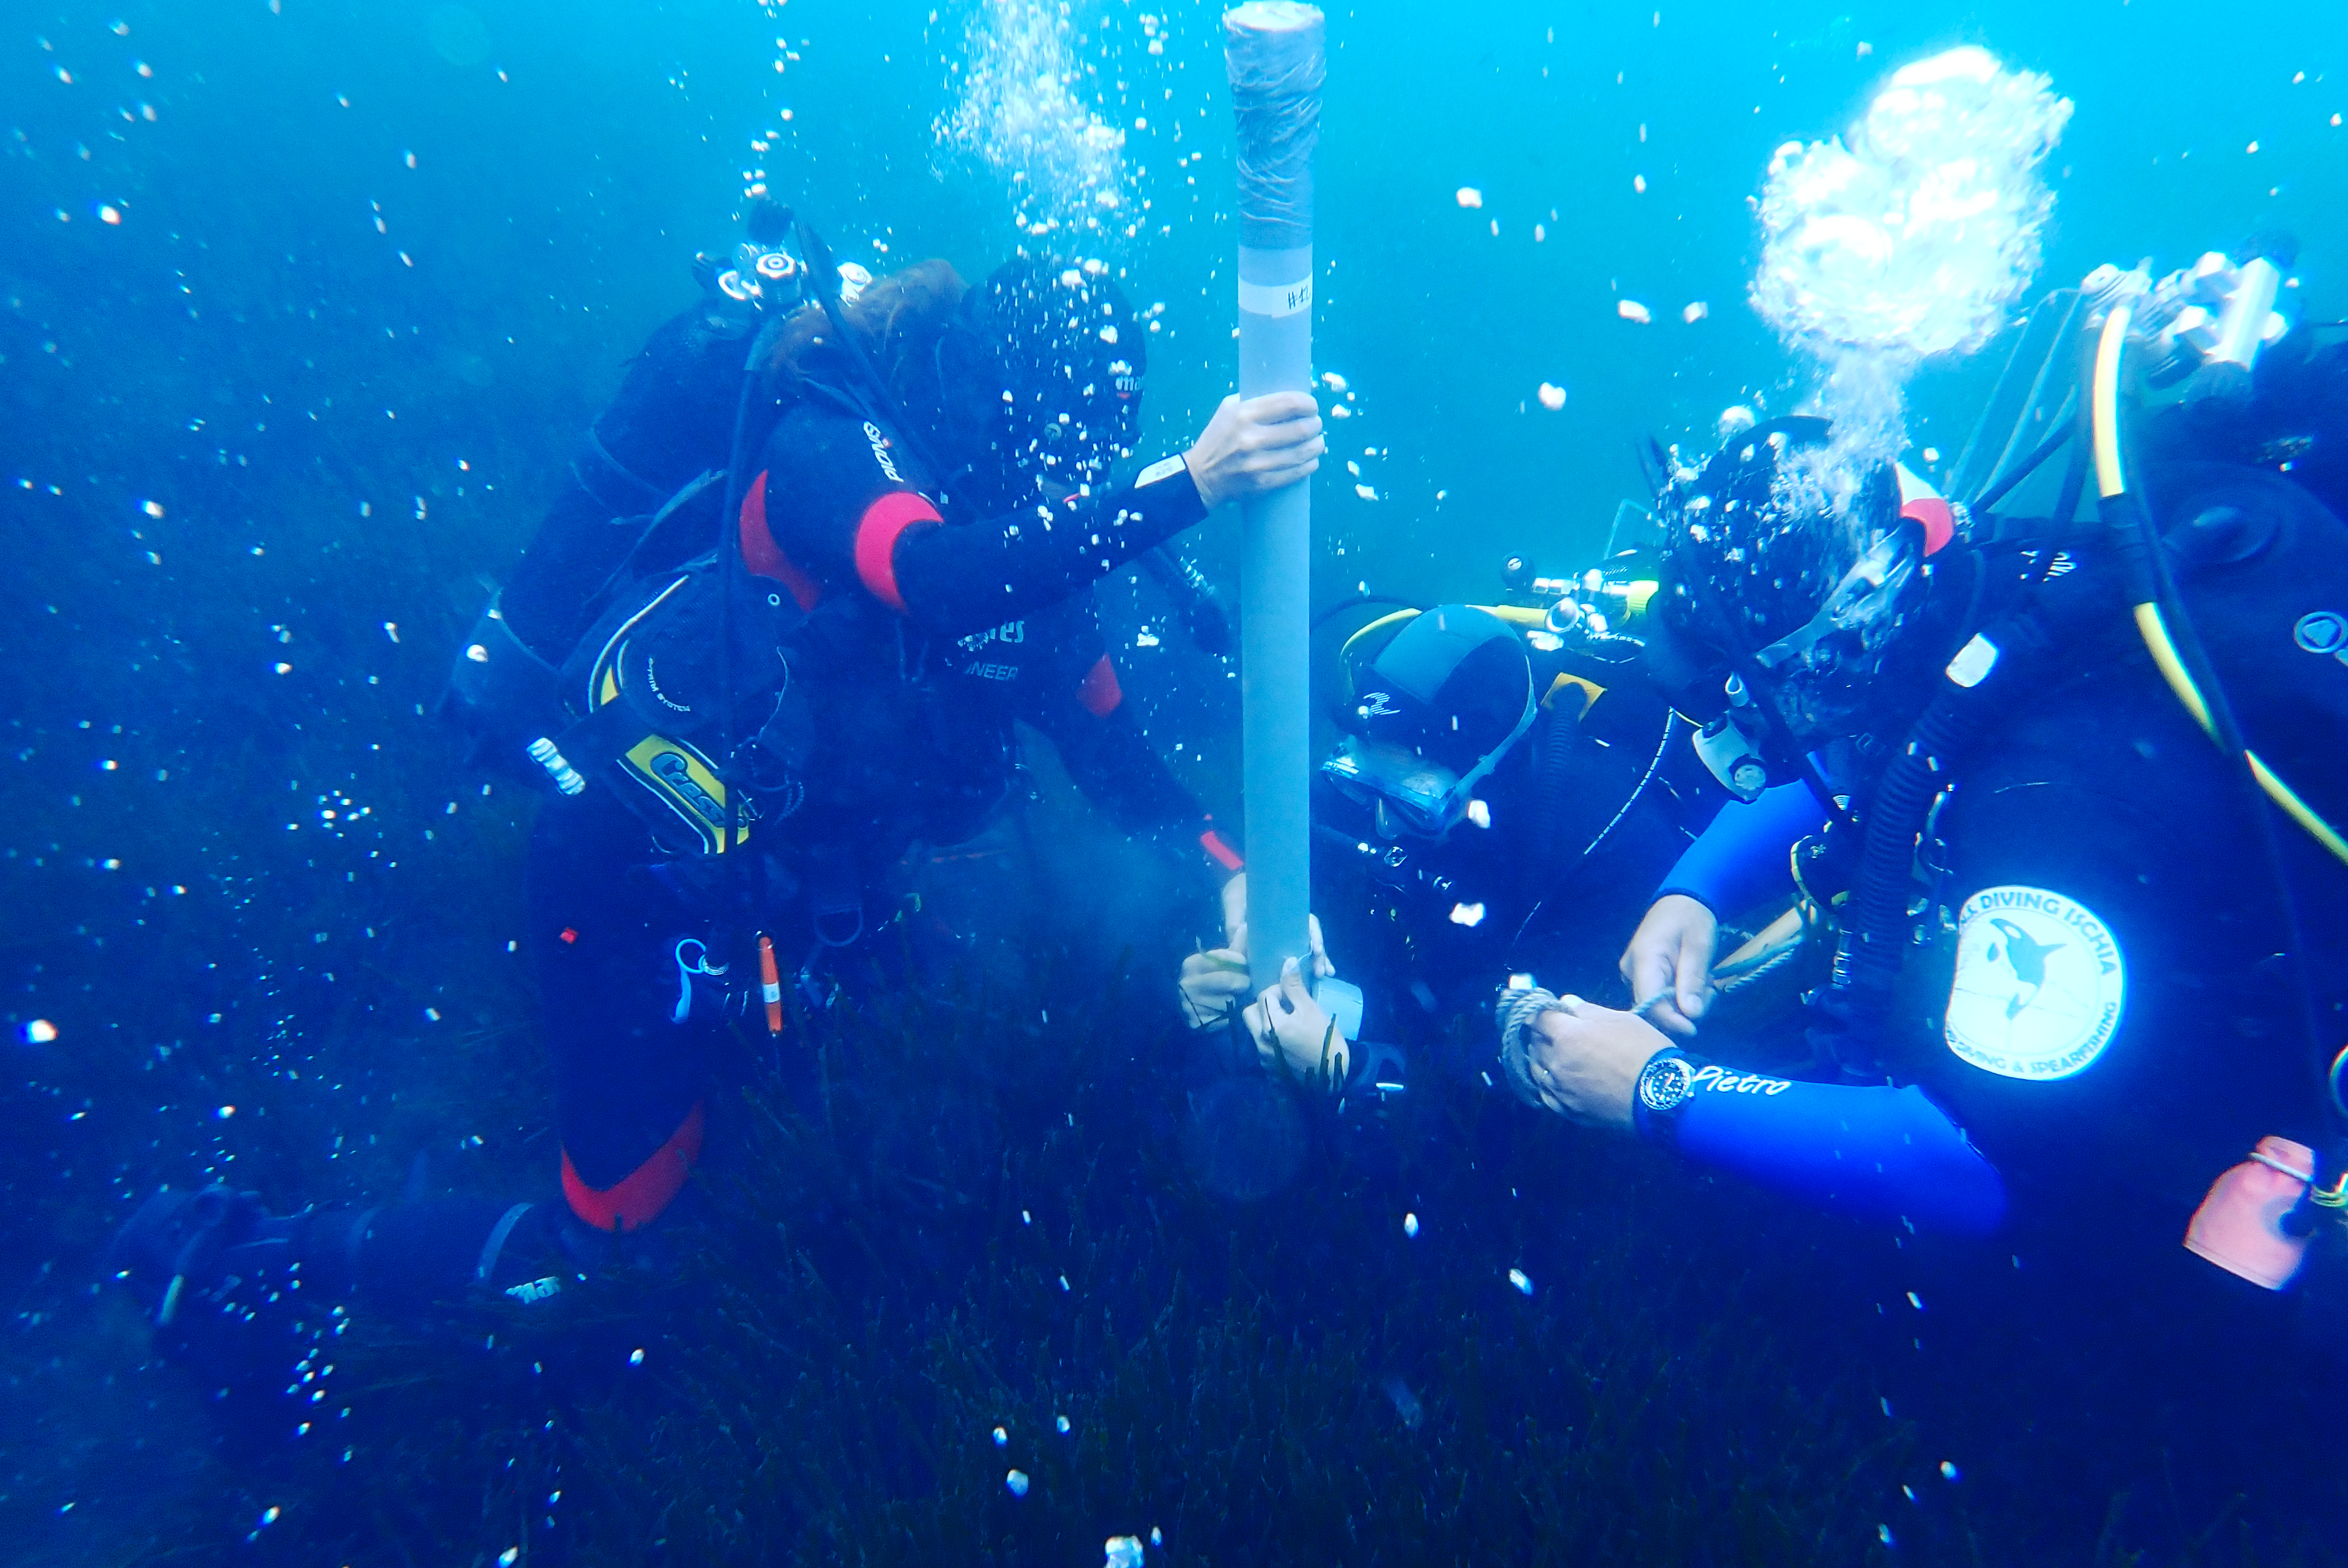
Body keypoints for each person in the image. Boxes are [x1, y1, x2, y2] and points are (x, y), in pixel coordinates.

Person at [108, 208, 1325, 1372]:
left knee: (902, 1152)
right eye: (1052, 448)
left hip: (794, 897)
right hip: (633, 872)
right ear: (985, 400)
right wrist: (1192, 483)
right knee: (614, 1265)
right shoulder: (830, 448)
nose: (1063, 483)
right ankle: (261, 1254)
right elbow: (933, 576)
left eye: (1086, 457)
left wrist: (1241, 887)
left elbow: (1134, 783)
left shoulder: (1044, 576)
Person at [1502, 250, 2348, 1306]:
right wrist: (1698, 886)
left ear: (1839, 647)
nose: (1735, 719)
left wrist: (1656, 1091)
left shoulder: (2055, 808)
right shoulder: (2007, 603)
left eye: (1754, 690)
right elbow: (1898, 739)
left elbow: (1972, 1164)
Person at [1176, 560, 1724, 1101]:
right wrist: (1246, 914)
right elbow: (1242, 842)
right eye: (1359, 783)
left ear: (1489, 774)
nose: (1382, 825)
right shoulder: (1376, 759)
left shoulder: (1602, 841)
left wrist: (1354, 1072)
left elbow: (1526, 1075)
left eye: (1416, 804)